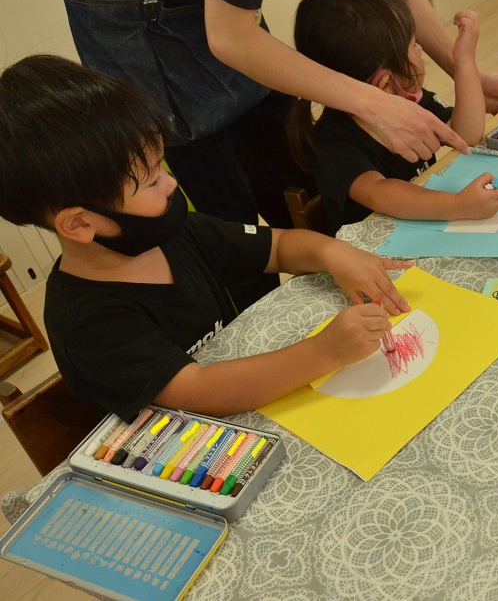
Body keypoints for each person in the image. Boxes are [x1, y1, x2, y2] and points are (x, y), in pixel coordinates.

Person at [58, 0, 498, 304]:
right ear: (382, 77)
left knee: (289, 184)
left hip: (224, 13)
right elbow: (232, 38)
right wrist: (373, 105)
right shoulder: (343, 142)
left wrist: (463, 70)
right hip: (140, 1)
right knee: (229, 216)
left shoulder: (392, 103)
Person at [0, 55, 413, 421]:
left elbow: (277, 246)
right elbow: (197, 392)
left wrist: (333, 252)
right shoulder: (87, 323)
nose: (171, 183)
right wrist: (325, 351)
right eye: (151, 181)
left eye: (163, 167)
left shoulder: (173, 232)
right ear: (78, 224)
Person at [287, 0, 498, 235]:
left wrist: (465, 62)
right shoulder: (334, 139)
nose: (421, 49)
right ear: (385, 82)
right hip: (376, 247)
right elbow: (380, 193)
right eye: (413, 45)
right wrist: (459, 205)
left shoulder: (412, 102)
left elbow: (466, 135)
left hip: (421, 226)